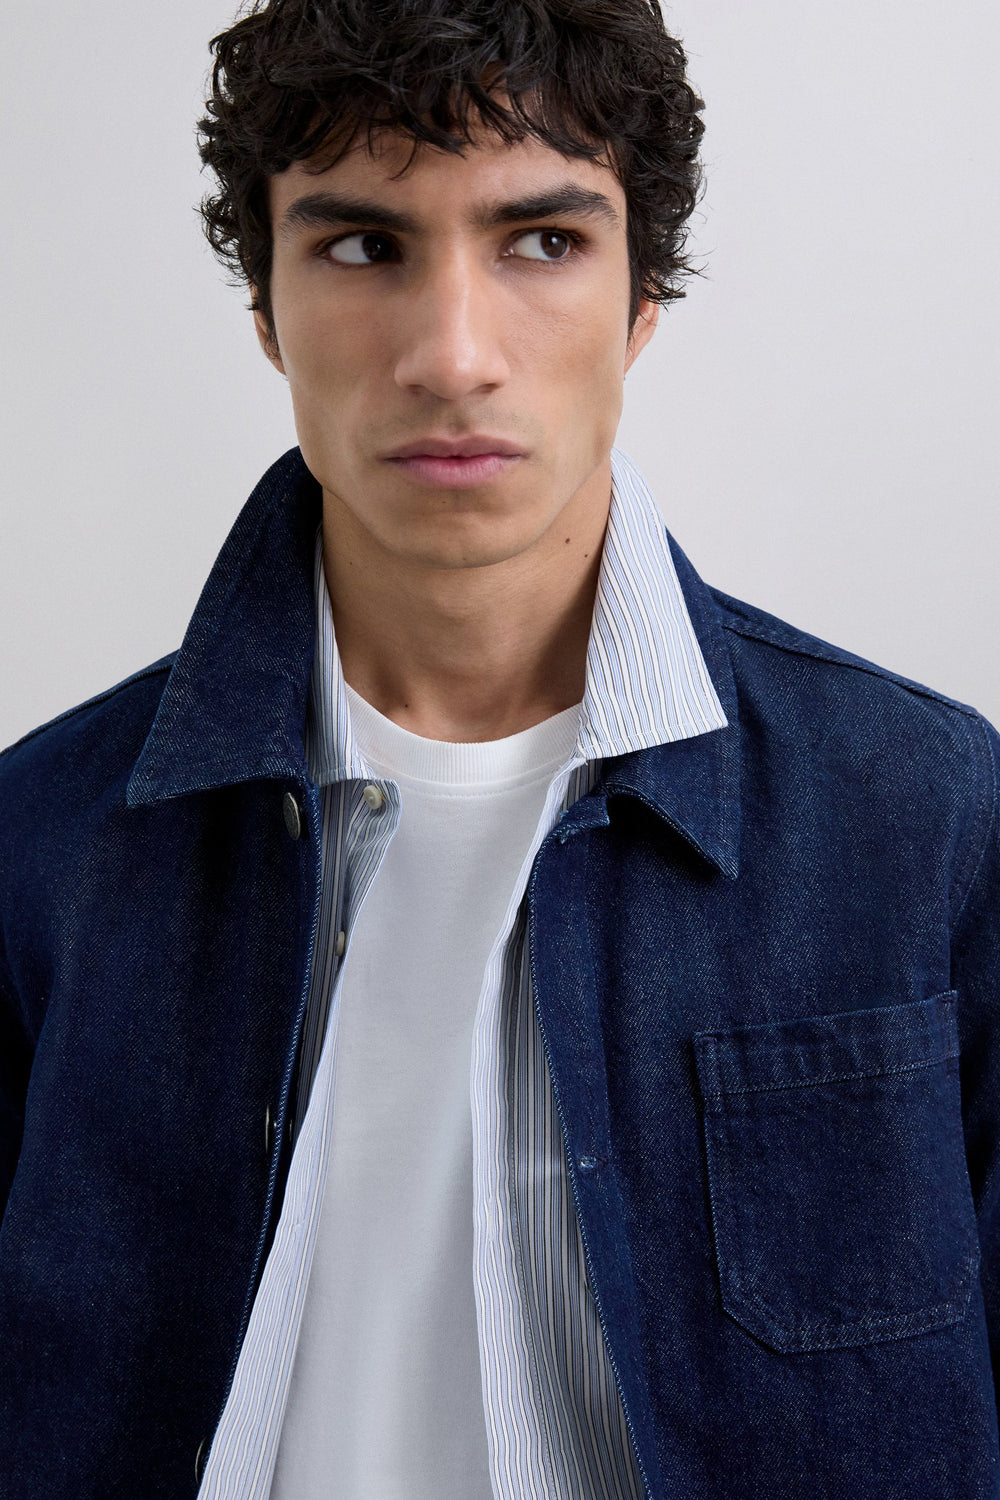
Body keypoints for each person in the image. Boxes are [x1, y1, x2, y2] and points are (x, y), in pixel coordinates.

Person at [1, 0, 997, 1495]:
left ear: (641, 299)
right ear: (266, 309)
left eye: (541, 240)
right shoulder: (41, 843)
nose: (453, 354)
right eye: (364, 246)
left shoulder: (921, 812)